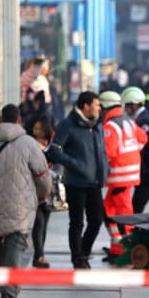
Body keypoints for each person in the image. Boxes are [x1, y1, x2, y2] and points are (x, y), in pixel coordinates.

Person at [0, 104, 52, 298]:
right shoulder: (28, 143)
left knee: (1, 241)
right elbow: (43, 174)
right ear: (18, 120)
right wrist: (42, 194)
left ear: (1, 118)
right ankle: (10, 291)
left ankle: (3, 283)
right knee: (15, 244)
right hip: (22, 203)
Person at [46, 91, 108, 269]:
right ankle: (78, 259)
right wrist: (75, 164)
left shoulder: (97, 125)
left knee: (97, 220)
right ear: (86, 106)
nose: (99, 108)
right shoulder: (68, 124)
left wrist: (105, 168)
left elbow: (101, 150)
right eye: (96, 105)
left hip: (95, 181)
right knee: (77, 222)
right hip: (75, 182)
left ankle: (84, 251)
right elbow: (54, 150)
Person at [100, 90, 148, 260]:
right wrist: (132, 156)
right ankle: (118, 247)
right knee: (109, 209)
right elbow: (143, 139)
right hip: (129, 174)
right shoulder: (128, 122)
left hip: (118, 175)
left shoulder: (110, 127)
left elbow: (109, 153)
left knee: (122, 213)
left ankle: (128, 248)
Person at [125, 86, 149, 213]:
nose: (125, 109)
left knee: (136, 209)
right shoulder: (141, 119)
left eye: (127, 106)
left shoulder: (145, 121)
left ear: (134, 105)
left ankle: (133, 232)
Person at [28, 114, 56, 267]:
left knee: (44, 223)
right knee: (38, 222)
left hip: (49, 191)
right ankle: (39, 255)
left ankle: (40, 253)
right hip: (36, 189)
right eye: (35, 128)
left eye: (39, 128)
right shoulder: (32, 145)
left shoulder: (52, 145)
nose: (36, 131)